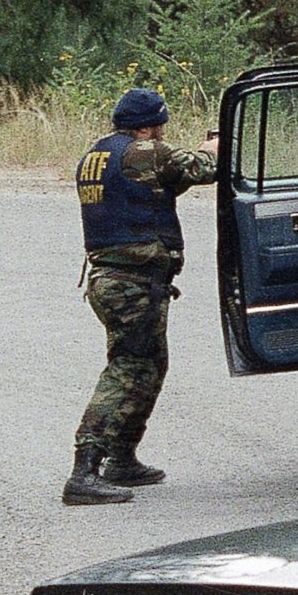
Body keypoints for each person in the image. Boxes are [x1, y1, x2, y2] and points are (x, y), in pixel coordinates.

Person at [65, 88, 220, 505]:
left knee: (150, 364)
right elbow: (205, 169)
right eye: (161, 125)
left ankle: (122, 458)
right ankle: (85, 469)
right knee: (129, 368)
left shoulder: (98, 155)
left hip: (116, 279)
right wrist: (214, 146)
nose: (163, 132)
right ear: (149, 125)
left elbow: (150, 192)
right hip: (130, 282)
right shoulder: (144, 151)